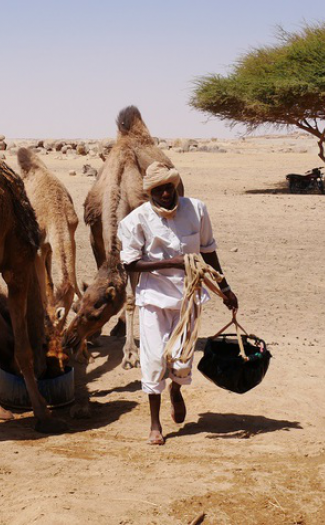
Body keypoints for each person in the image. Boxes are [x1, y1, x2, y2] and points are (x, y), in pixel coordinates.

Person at [117, 162, 239, 445]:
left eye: (168, 188)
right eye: (158, 190)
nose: (164, 195)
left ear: (175, 186)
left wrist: (225, 288)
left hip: (189, 298)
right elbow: (131, 264)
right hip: (153, 299)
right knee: (154, 359)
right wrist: (171, 262)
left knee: (182, 362)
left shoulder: (196, 210)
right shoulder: (135, 221)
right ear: (150, 192)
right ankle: (155, 424)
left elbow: (208, 252)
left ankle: (176, 390)